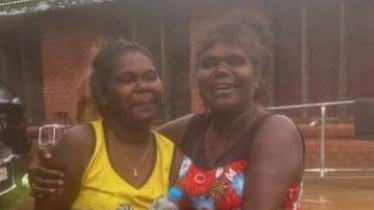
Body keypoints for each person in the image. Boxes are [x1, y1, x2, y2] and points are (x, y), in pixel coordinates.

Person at [30, 11, 304, 210]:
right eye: (208, 63)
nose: (221, 71)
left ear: (258, 77)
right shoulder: (189, 130)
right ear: (197, 76)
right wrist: (47, 168)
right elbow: (128, 138)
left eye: (235, 61)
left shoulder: (274, 132)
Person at [33, 39, 182, 210]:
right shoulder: (81, 144)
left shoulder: (173, 156)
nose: (144, 87)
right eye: (127, 79)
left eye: (150, 76)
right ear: (101, 92)